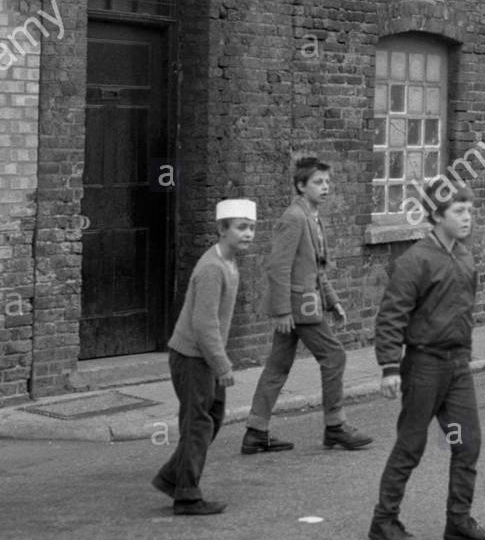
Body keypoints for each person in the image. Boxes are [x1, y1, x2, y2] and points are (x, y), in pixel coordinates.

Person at [368, 183, 485, 540]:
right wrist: (390, 367)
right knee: (411, 444)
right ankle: (384, 521)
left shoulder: (465, 257)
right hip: (423, 366)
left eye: (469, 211)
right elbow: (392, 315)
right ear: (437, 216)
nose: (467, 218)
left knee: (466, 442)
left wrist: (465, 356)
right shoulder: (415, 260)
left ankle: (458, 521)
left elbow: (464, 315)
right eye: (459, 212)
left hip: (457, 367)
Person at [241, 155, 372, 454]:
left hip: (305, 303)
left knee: (277, 365)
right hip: (299, 308)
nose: (325, 187)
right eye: (317, 182)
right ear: (301, 186)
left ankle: (255, 431)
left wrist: (333, 302)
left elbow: (316, 269)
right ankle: (335, 427)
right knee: (335, 356)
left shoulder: (312, 216)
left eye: (327, 182)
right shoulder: (294, 218)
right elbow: (277, 267)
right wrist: (282, 310)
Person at [152, 199, 256, 515]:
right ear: (222, 230)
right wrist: (221, 365)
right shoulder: (212, 268)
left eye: (251, 227)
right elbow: (203, 323)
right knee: (198, 423)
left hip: (203, 357)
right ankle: (187, 495)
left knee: (212, 418)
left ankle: (172, 476)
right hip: (192, 358)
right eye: (241, 227)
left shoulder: (230, 263)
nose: (248, 233)